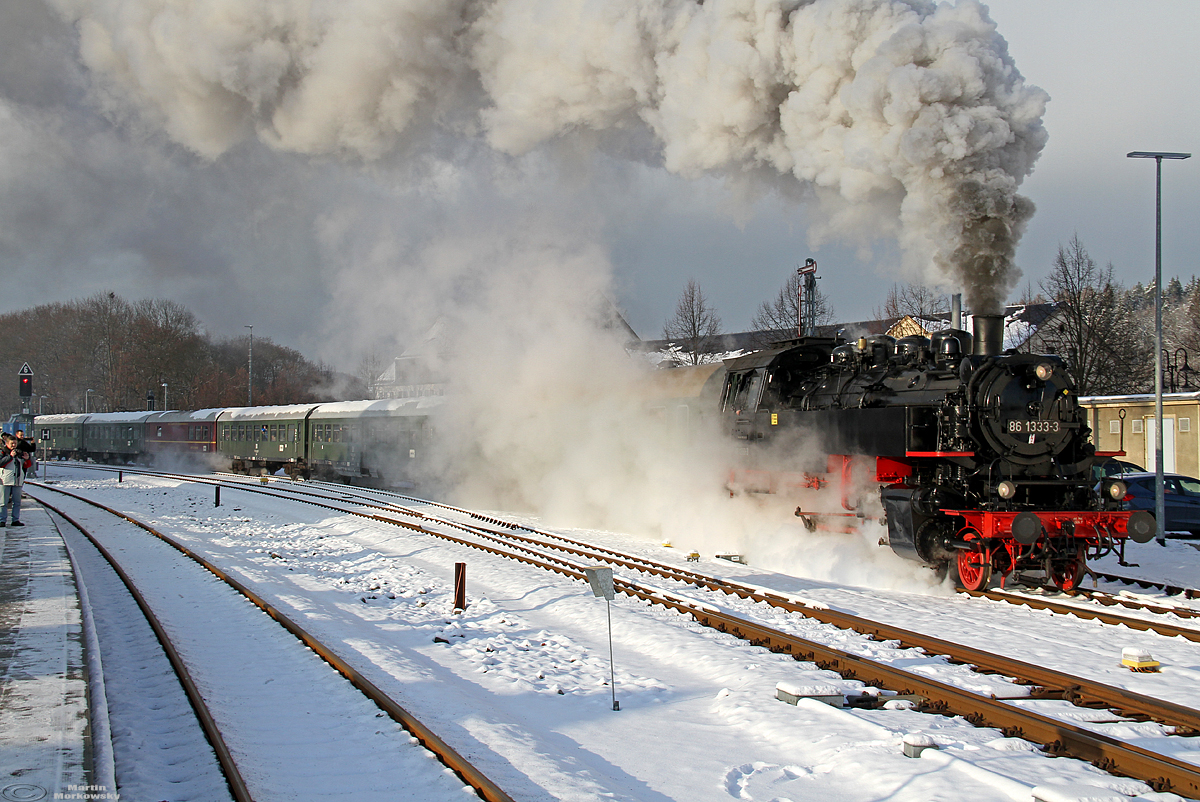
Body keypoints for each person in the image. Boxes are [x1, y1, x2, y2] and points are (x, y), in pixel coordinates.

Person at [0, 433, 26, 527]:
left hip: (17, 480)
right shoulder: (2, 452)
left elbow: (25, 465)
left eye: (15, 443)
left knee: (17, 502)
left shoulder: (19, 453)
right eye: (12, 443)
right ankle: (2, 520)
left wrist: (26, 459)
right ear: (7, 443)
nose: (14, 445)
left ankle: (15, 520)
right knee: (3, 502)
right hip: (5, 480)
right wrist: (10, 456)